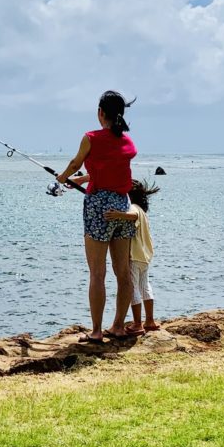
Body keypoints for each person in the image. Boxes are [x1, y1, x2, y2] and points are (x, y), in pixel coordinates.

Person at [57, 91, 137, 343]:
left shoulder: (91, 137)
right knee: (123, 272)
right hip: (123, 207)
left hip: (98, 208)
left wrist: (62, 178)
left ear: (100, 112)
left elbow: (74, 162)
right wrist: (84, 178)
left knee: (97, 273)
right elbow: (110, 169)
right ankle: (118, 327)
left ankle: (96, 331)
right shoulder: (127, 142)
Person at [105, 179, 159, 336]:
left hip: (134, 255)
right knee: (145, 286)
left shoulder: (134, 208)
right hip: (145, 256)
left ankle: (137, 324)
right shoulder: (143, 211)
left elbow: (132, 215)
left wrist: (117, 214)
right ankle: (150, 321)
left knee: (133, 287)